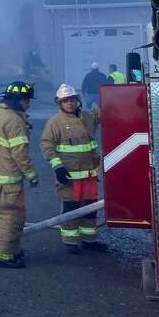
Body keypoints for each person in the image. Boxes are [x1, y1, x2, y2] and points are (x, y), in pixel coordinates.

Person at [40, 84, 107, 254]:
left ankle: (89, 240)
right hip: (69, 176)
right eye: (65, 101)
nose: (69, 103)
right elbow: (46, 144)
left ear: (77, 100)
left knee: (90, 208)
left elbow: (106, 111)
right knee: (71, 208)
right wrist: (58, 167)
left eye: (72, 99)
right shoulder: (55, 122)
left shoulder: (88, 117)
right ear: (59, 103)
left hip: (90, 174)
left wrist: (111, 94)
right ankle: (70, 242)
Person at [0, 81, 39, 269]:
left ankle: (12, 250)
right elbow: (20, 153)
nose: (29, 103)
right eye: (26, 100)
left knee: (6, 215)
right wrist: (31, 174)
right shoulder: (14, 121)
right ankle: (2, 256)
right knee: (11, 217)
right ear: (18, 100)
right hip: (8, 181)